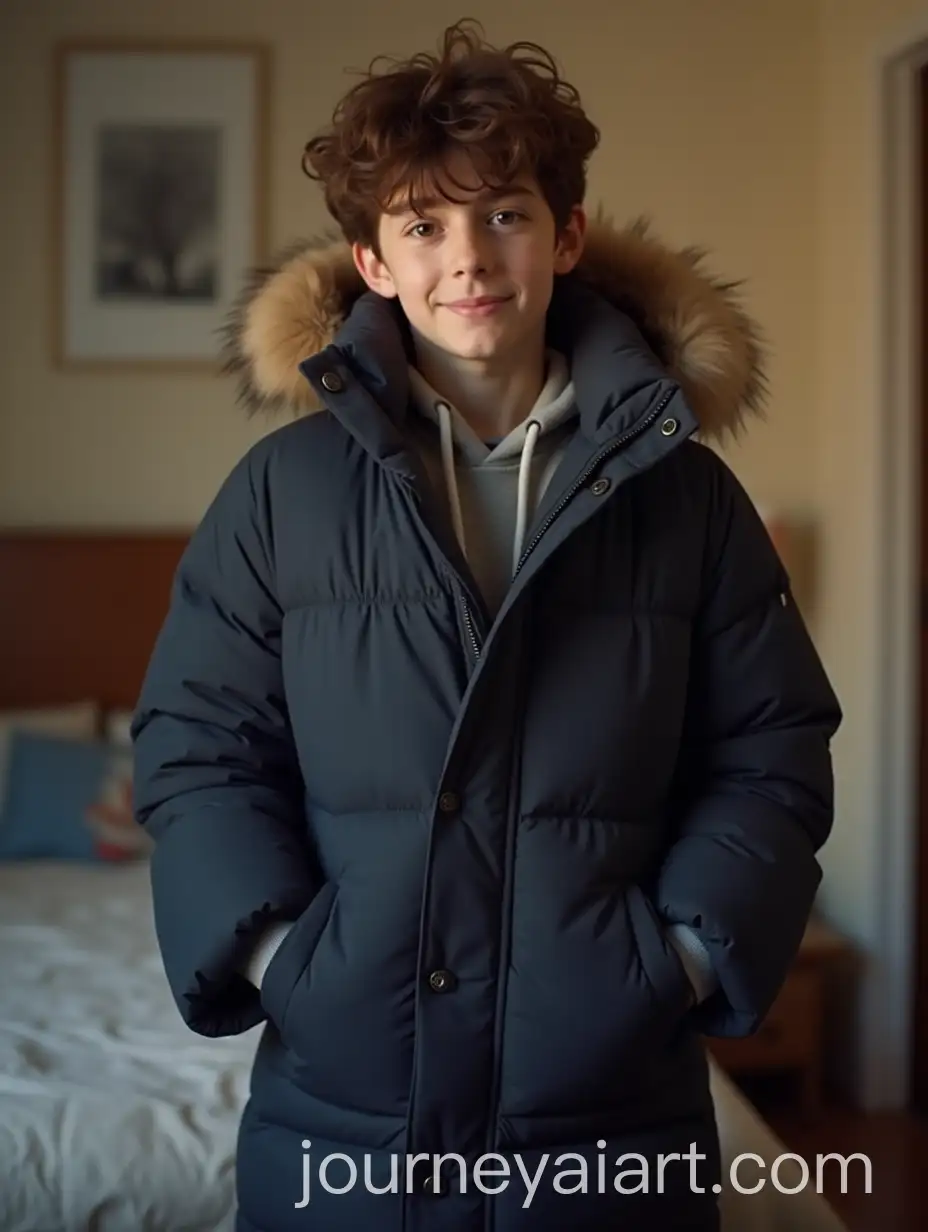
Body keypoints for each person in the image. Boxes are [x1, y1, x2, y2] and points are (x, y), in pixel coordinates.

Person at [131, 19, 842, 1232]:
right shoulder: (279, 493)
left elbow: (769, 753)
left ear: (563, 235)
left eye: (504, 213)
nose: (468, 256)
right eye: (422, 224)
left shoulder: (688, 501)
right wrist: (285, 960)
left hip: (610, 1117)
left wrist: (665, 959)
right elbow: (198, 749)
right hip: (342, 1118)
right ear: (372, 260)